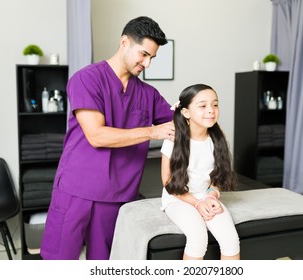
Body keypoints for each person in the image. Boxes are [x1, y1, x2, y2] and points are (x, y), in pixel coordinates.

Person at [40, 16, 175, 260]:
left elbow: (176, 123)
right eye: (143, 54)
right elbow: (96, 135)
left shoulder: (148, 94)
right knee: (59, 261)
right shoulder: (87, 79)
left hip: (117, 195)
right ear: (124, 42)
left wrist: (198, 109)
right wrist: (151, 131)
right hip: (77, 189)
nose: (147, 64)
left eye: (152, 58)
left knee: (104, 263)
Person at [161, 84, 240, 260]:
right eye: (203, 106)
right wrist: (196, 204)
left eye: (215, 104)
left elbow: (219, 176)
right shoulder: (173, 140)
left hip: (206, 196)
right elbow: (167, 182)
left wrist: (212, 195)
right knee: (197, 238)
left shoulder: (219, 139)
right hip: (177, 199)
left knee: (231, 240)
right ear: (186, 112)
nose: (211, 110)